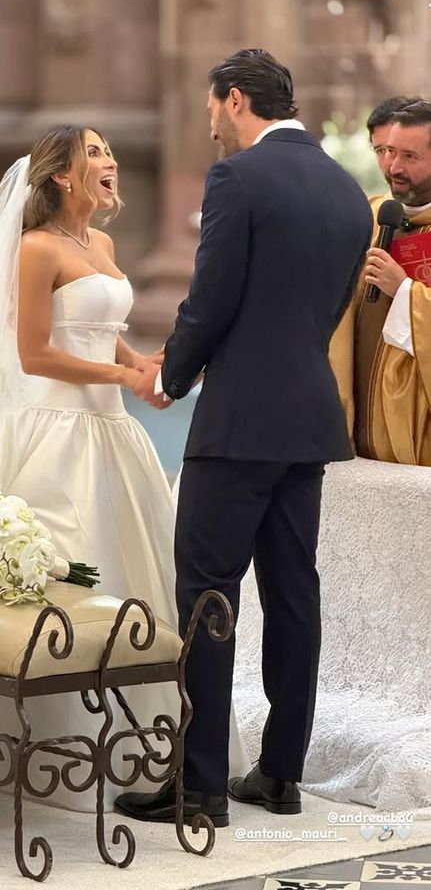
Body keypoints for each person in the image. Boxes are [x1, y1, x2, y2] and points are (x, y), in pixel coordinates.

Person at [0, 125, 250, 806]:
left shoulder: (99, 243)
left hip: (110, 432)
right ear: (61, 176)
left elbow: (104, 329)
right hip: (52, 432)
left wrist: (141, 365)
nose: (110, 161)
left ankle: (151, 748)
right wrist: (117, 375)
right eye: (94, 153)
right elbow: (35, 353)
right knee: (63, 558)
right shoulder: (35, 248)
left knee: (138, 568)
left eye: (107, 150)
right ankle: (49, 743)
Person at [114, 49, 373, 827]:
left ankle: (197, 787)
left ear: (233, 101)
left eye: (211, 112)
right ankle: (278, 775)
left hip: (238, 427)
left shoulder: (238, 179)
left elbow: (213, 294)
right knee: (294, 594)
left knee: (205, 594)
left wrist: (173, 374)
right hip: (307, 421)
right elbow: (323, 312)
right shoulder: (344, 190)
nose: (212, 129)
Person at [330, 100, 431, 463]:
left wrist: (404, 291)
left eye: (409, 156)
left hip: (418, 434)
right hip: (357, 418)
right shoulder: (370, 216)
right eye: (387, 152)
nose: (393, 167)